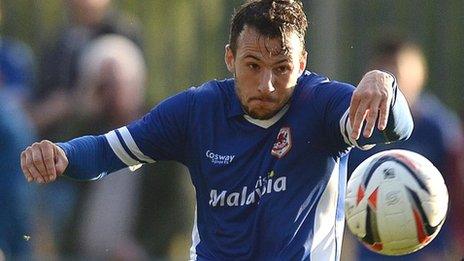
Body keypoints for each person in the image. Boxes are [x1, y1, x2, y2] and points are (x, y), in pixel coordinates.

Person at [20, 0, 414, 260]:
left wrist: (385, 86)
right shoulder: (196, 111)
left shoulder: (323, 105)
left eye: (282, 68)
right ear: (230, 58)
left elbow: (398, 128)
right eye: (253, 65)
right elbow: (107, 152)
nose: (267, 85)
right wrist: (61, 155)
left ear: (303, 61)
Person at [347, 39, 464, 260]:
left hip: (427, 251)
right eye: (384, 72)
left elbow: (456, 191)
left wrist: (452, 245)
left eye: (398, 71)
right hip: (372, 252)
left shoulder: (438, 128)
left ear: (419, 74)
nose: (391, 82)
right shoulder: (358, 127)